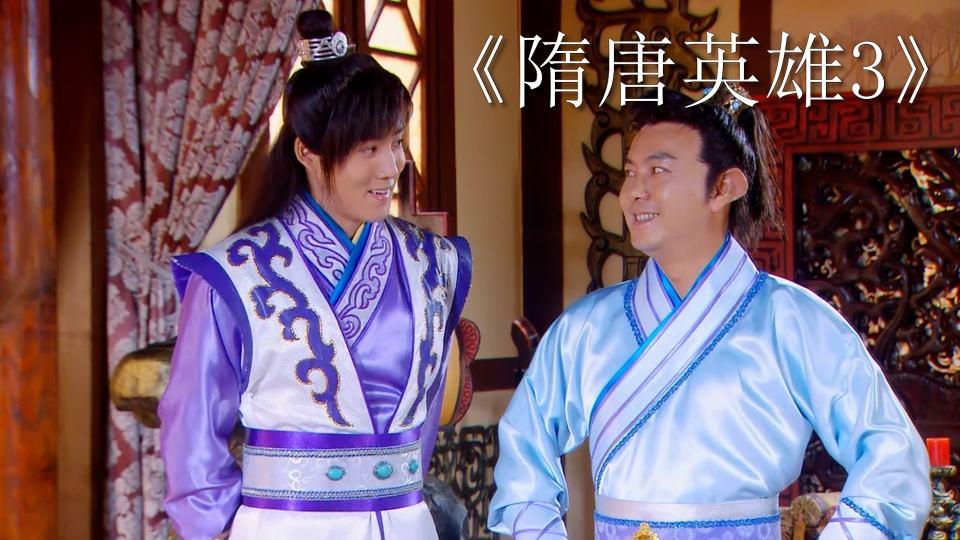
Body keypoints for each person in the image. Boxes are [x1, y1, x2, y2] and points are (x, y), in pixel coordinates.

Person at [487, 88, 930, 539]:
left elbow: (894, 460)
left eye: (658, 170)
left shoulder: (792, 321)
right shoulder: (586, 328)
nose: (634, 191)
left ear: (723, 187)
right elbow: (524, 450)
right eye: (631, 173)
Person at [158, 10, 471, 539]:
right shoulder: (235, 275)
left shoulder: (432, 264)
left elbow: (426, 417)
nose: (390, 167)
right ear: (306, 151)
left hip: (405, 523)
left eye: (396, 143)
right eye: (367, 149)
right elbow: (193, 434)